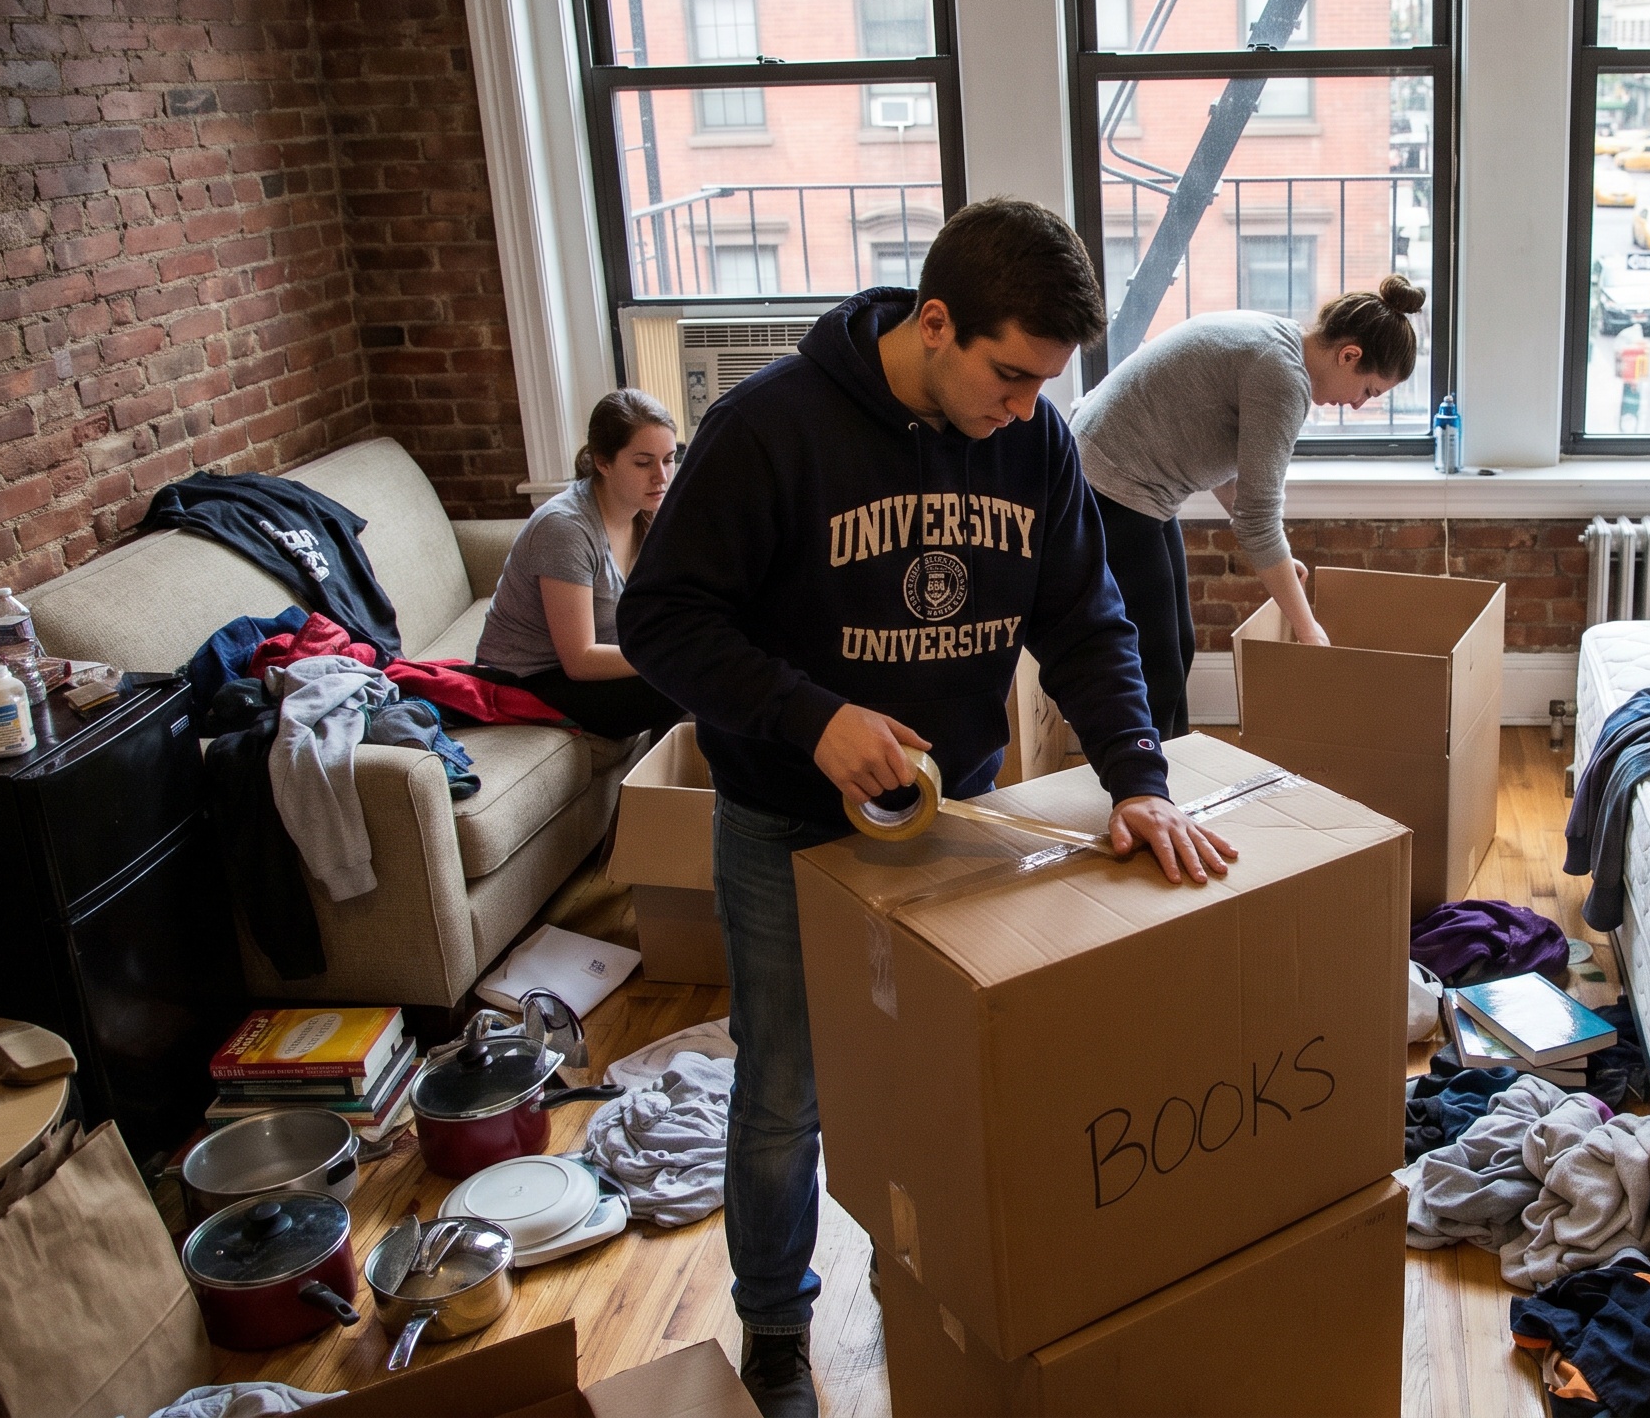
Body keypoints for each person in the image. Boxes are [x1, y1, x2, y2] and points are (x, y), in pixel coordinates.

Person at [617, 198, 1238, 1415]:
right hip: (784, 826)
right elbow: (662, 623)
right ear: (935, 322)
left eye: (1041, 384)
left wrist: (1137, 779)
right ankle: (777, 1335)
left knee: (957, 1082)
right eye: (1007, 374)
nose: (1021, 406)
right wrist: (812, 718)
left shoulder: (1035, 440)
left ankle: (942, 1294)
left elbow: (1083, 620)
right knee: (786, 1093)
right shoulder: (768, 430)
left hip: (958, 816)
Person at [1068, 275, 1426, 736]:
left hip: (1130, 482)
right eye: (1368, 391)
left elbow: (1231, 465)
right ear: (1349, 355)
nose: (1357, 406)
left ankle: (1164, 781)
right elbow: (1257, 520)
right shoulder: (1283, 377)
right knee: (1154, 665)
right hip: (1108, 484)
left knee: (1177, 646)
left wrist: (1279, 559)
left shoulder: (1276, 339)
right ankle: (1143, 797)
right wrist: (1308, 628)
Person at [471, 388, 684, 740]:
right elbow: (580, 659)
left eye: (669, 459)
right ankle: (658, 792)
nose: (661, 476)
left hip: (588, 666)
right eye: (643, 463)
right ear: (603, 462)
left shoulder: (647, 511)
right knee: (688, 679)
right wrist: (673, 653)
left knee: (716, 662)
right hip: (529, 680)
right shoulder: (565, 528)